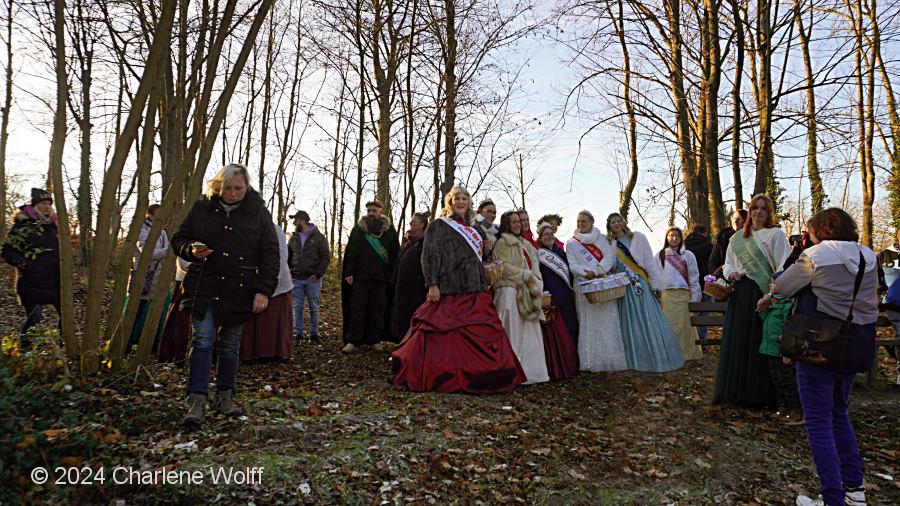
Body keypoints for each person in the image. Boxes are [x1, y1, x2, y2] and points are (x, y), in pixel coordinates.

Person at [756, 208, 876, 506]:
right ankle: (854, 489)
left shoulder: (817, 256)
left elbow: (781, 287)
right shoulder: (868, 256)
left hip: (820, 344)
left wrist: (794, 264)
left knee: (818, 421)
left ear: (821, 230)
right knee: (839, 413)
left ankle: (832, 497)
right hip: (856, 341)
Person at [171, 163, 280, 427]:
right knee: (203, 340)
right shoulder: (202, 208)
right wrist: (190, 251)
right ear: (219, 186)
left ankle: (225, 395)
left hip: (240, 289)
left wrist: (263, 291)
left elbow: (270, 255)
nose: (233, 193)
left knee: (230, 345)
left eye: (238, 188)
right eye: (228, 188)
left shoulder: (259, 214)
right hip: (204, 286)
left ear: (246, 186)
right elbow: (179, 239)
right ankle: (197, 398)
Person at [391, 186, 526, 393]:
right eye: (457, 198)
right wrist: (433, 283)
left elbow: (481, 259)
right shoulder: (439, 225)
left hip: (474, 286)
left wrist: (486, 251)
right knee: (443, 334)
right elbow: (429, 255)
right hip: (449, 286)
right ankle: (445, 375)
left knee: (482, 331)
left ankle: (482, 375)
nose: (461, 201)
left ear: (469, 202)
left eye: (465, 198)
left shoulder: (475, 229)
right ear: (450, 202)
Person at [713, 194, 790, 408]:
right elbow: (727, 264)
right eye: (755, 208)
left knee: (760, 342)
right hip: (741, 292)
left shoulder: (776, 235)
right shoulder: (738, 237)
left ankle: (759, 394)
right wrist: (731, 274)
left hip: (763, 293)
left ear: (769, 213)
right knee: (739, 339)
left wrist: (772, 293)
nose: (758, 212)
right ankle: (736, 392)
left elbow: (783, 267)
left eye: (763, 209)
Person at [607, 213, 685, 372]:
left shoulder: (638, 238)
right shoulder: (610, 244)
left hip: (640, 283)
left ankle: (657, 357)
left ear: (623, 222)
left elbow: (649, 261)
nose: (616, 223)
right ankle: (633, 359)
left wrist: (657, 284)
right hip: (623, 286)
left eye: (618, 220)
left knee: (648, 319)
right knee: (628, 322)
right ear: (609, 226)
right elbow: (610, 265)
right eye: (612, 222)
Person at [565, 210, 627, 371]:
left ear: (592, 221)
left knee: (606, 319)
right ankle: (589, 360)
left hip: (601, 283)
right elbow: (572, 265)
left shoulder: (601, 238)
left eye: (584, 221)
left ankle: (609, 359)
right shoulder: (571, 243)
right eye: (578, 221)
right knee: (588, 321)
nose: (580, 224)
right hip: (584, 284)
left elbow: (609, 258)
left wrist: (598, 271)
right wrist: (587, 273)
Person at [493, 211, 550, 384]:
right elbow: (502, 266)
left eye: (519, 221)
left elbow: (535, 266)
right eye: (513, 222)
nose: (518, 224)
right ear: (507, 224)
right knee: (513, 332)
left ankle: (532, 373)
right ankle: (512, 373)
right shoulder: (502, 243)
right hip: (509, 292)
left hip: (527, 292)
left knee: (531, 331)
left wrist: (536, 280)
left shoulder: (526, 244)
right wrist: (523, 275)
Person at [1, 188, 60, 350]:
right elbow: (7, 250)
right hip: (30, 282)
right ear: (35, 205)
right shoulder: (23, 226)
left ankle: (61, 348)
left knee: (66, 316)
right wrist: (24, 264)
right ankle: (25, 351)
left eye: (49, 203)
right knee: (35, 319)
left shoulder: (54, 226)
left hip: (55, 281)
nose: (47, 206)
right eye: (43, 203)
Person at [341, 200, 400, 352]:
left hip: (381, 279)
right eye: (369, 210)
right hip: (360, 278)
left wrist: (393, 275)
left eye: (374, 210)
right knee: (357, 310)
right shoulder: (359, 230)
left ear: (381, 212)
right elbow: (352, 251)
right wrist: (349, 272)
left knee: (378, 311)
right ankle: (353, 340)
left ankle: (375, 339)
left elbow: (395, 254)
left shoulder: (389, 231)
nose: (371, 213)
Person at [240, 224, 294, 360]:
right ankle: (248, 352)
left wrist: (271, 285)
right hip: (250, 281)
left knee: (271, 320)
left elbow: (280, 257)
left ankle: (272, 352)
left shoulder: (275, 230)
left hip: (276, 283)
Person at [535, 221, 579, 380]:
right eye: (545, 235)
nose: (549, 237)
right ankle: (561, 366)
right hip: (551, 295)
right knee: (557, 330)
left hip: (566, 294)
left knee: (571, 325)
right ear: (540, 238)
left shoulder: (562, 253)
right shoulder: (538, 254)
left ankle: (574, 362)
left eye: (551, 234)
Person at [126, 204, 171, 350]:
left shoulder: (162, 232)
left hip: (158, 279)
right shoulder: (142, 229)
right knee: (137, 311)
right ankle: (127, 343)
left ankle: (150, 344)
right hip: (143, 278)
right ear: (150, 215)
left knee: (155, 312)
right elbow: (148, 253)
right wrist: (170, 250)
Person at [658, 227, 703, 361]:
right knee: (669, 327)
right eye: (671, 235)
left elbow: (694, 277)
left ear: (681, 238)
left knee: (685, 328)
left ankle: (685, 356)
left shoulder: (688, 255)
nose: (674, 238)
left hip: (684, 296)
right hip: (667, 297)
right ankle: (670, 356)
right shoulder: (660, 255)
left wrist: (695, 298)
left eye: (677, 235)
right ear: (667, 238)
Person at [288, 210, 331, 345]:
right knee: (297, 307)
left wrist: (318, 273)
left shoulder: (318, 237)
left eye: (295, 220)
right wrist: (288, 274)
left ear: (302, 220)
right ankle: (298, 335)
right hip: (296, 279)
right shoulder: (293, 238)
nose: (294, 223)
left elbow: (325, 257)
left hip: (313, 279)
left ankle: (314, 335)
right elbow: (288, 258)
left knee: (314, 307)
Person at [394, 211, 429, 339]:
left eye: (413, 222)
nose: (410, 224)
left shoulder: (426, 242)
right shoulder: (408, 242)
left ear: (422, 224)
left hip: (417, 291)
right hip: (401, 289)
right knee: (401, 320)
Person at [157, 257, 192, 365]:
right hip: (183, 284)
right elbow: (184, 264)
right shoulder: (186, 242)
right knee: (177, 322)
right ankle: (172, 355)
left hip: (201, 285)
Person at [684, 224, 713, 340]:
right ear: (704, 233)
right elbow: (711, 265)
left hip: (687, 285)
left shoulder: (684, 245)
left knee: (687, 312)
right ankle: (701, 340)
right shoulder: (709, 246)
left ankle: (688, 339)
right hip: (705, 284)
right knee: (703, 313)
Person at [709, 209, 748, 275]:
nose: (735, 221)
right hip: (725, 277)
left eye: (739, 219)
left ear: (746, 221)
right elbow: (714, 261)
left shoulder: (751, 237)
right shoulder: (723, 237)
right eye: (734, 218)